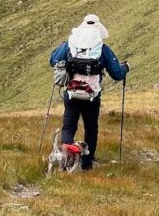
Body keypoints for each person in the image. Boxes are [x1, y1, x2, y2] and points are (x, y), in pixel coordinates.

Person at [49, 13, 129, 171]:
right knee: (91, 127)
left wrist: (60, 48)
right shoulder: (102, 49)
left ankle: (67, 160)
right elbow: (117, 74)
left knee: (69, 127)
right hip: (92, 96)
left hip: (71, 93)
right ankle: (86, 164)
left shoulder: (70, 45)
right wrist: (125, 67)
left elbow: (53, 61)